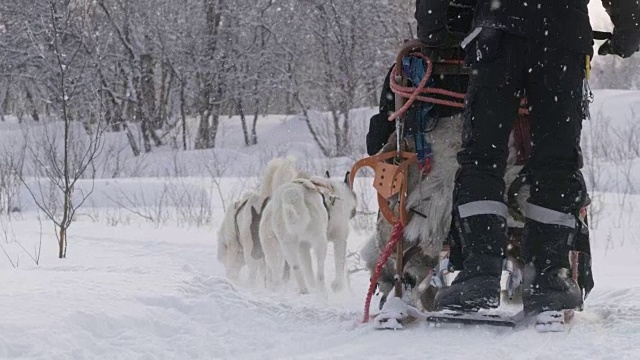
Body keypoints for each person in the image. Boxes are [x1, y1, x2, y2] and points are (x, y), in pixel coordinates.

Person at [431, 0, 640, 315]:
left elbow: (439, 14)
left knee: (482, 157)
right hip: (562, 39)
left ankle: (481, 270)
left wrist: (438, 26)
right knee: (556, 161)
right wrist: (628, 28)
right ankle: (547, 277)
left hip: (496, 37)